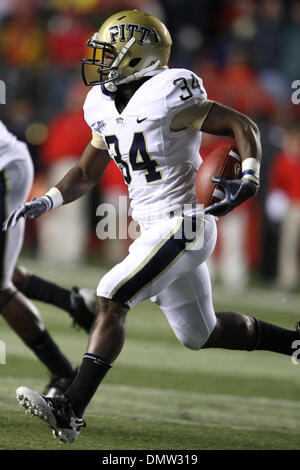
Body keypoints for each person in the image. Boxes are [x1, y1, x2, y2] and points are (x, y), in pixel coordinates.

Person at [5, 10, 300, 444]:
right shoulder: (101, 104)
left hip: (187, 224)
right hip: (152, 229)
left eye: (110, 54)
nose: (100, 62)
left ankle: (70, 410)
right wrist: (48, 199)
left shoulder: (169, 92)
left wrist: (251, 175)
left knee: (111, 294)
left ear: (137, 57)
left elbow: (242, 124)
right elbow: (86, 173)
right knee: (202, 333)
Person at [0, 119, 96, 398]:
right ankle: (73, 303)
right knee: (2, 265)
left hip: (5, 170)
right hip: (9, 163)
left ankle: (63, 373)